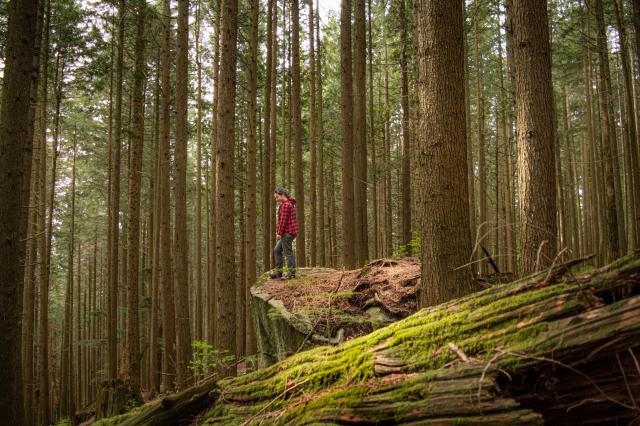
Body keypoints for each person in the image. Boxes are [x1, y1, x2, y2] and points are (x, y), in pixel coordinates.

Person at [270, 188, 298, 279]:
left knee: (288, 252)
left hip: (287, 232)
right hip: (288, 232)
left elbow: (283, 221)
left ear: (282, 195)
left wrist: (279, 233)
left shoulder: (286, 205)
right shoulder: (287, 204)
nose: (276, 199)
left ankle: (291, 273)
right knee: (277, 250)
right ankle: (279, 272)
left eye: (277, 197)